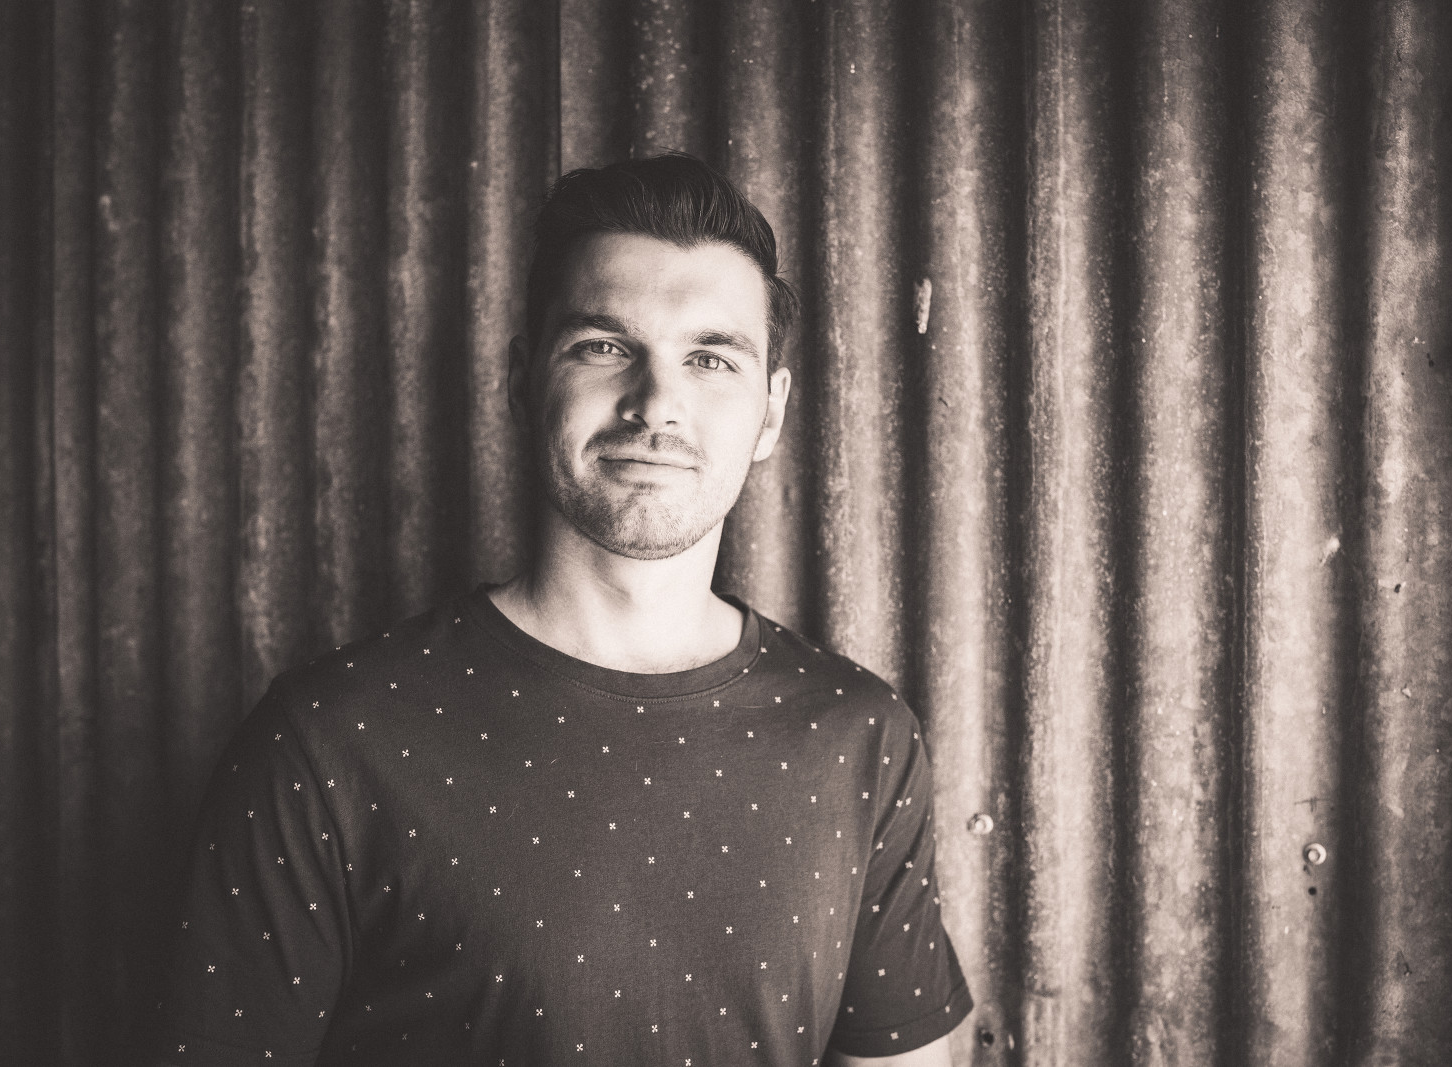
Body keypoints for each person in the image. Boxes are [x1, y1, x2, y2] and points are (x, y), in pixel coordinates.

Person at [150, 153, 971, 1066]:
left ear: (770, 412)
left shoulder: (861, 738)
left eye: (710, 358)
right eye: (605, 347)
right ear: (521, 377)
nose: (656, 405)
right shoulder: (326, 743)